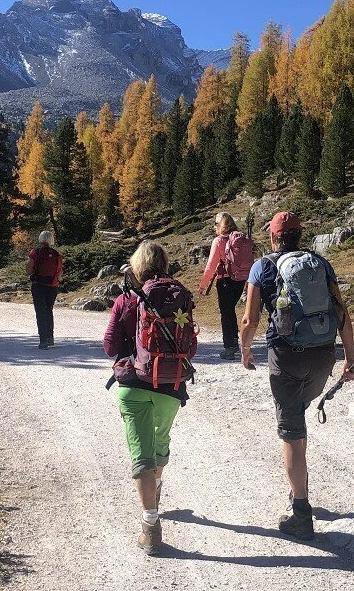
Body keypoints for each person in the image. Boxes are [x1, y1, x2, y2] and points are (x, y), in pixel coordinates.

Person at [240, 211, 354, 540]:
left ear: (274, 237)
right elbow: (341, 312)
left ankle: (301, 513)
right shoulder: (320, 263)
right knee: (299, 417)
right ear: (298, 234)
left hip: (287, 356)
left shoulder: (262, 266)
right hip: (323, 356)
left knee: (291, 429)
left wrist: (245, 350)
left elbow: (249, 319)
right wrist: (350, 357)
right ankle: (298, 491)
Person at [103, 240, 196, 555]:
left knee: (141, 454)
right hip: (170, 387)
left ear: (136, 267)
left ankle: (151, 526)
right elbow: (191, 349)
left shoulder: (128, 299)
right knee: (158, 446)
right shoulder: (178, 297)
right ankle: (155, 490)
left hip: (133, 384)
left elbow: (109, 345)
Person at [198, 211, 255, 360]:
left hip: (225, 280)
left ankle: (229, 347)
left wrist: (203, 285)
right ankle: (235, 342)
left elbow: (211, 265)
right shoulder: (240, 238)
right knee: (230, 311)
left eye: (216, 224)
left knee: (226, 313)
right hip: (241, 279)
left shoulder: (218, 241)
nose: (215, 227)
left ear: (221, 225)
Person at [26, 230, 63, 350]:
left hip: (38, 286)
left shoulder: (35, 253)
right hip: (52, 286)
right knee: (49, 310)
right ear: (51, 239)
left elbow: (28, 269)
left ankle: (43, 341)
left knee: (40, 313)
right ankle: (50, 337)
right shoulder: (57, 254)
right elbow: (60, 272)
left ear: (41, 239)